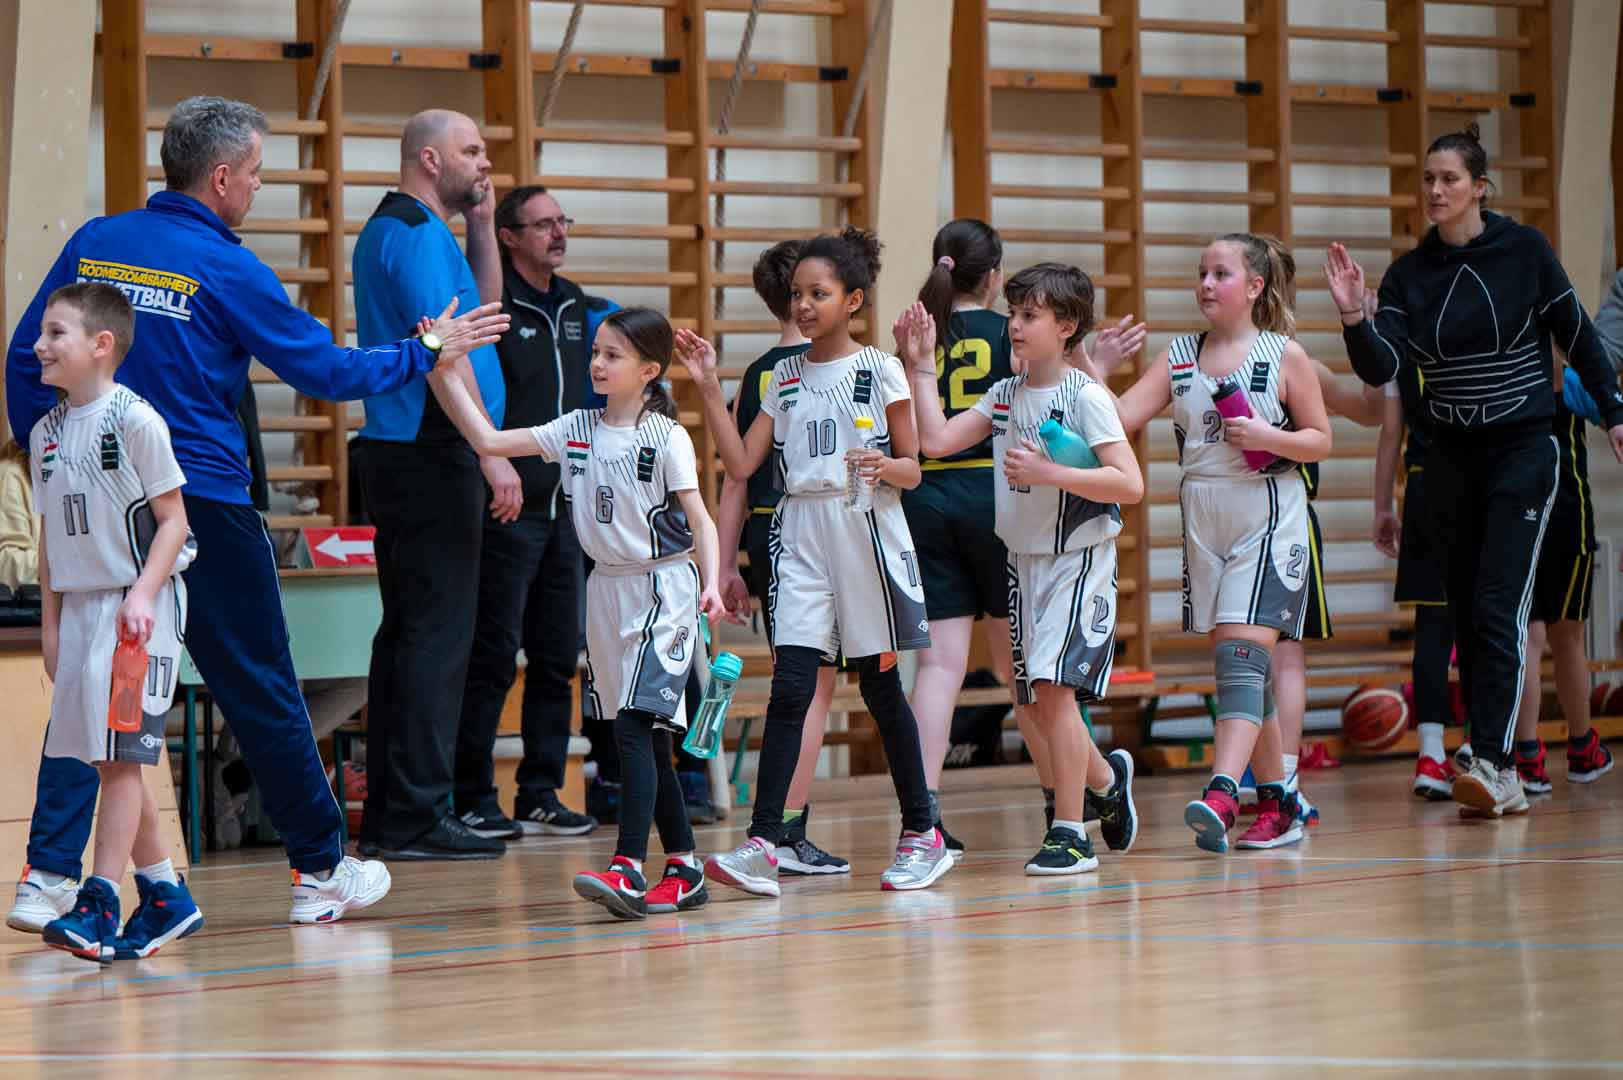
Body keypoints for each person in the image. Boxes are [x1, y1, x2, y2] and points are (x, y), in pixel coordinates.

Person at [5, 96, 507, 933]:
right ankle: (320, 869)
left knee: (91, 688)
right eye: (258, 174)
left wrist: (51, 458)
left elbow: (28, 360)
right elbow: (325, 370)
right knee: (259, 687)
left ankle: (50, 878)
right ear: (221, 176)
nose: (257, 189)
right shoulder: (228, 267)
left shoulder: (96, 241)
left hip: (94, 506)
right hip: (196, 505)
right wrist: (424, 350)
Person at [1326, 123, 1623, 818]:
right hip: (1448, 461)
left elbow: (1578, 334)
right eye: (1428, 179)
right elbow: (1382, 367)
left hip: (1524, 451)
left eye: (1449, 179)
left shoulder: (1525, 251)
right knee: (1464, 613)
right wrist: (1352, 320)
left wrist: (1613, 411)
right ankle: (1491, 759)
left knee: (1499, 607)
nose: (1435, 190)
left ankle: (1496, 761)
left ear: (1479, 188)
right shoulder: (1408, 276)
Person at [677, 227, 953, 894]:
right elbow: (742, 463)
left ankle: (923, 832)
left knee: (881, 689)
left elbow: (914, 467)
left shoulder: (880, 369)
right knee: (791, 687)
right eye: (797, 294)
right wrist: (708, 387)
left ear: (851, 300)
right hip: (799, 533)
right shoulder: (784, 376)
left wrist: (884, 465)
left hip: (864, 529)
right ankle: (763, 843)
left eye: (818, 294)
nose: (803, 305)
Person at [425, 307, 724, 919]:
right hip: (605, 591)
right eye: (595, 352)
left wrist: (712, 584)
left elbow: (701, 519)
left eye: (613, 355)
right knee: (644, 739)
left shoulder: (667, 436)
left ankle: (627, 866)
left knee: (635, 728)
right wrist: (445, 369)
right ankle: (686, 867)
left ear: (649, 370)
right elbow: (488, 442)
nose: (597, 363)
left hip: (663, 589)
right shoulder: (577, 428)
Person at [901, 263, 1142, 874]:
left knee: (1055, 698)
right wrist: (922, 366)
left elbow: (1130, 483)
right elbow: (936, 442)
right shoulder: (1006, 393)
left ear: (1067, 326)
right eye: (1013, 313)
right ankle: (1107, 781)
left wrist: (1050, 473)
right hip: (1021, 563)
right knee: (1033, 704)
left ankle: (1070, 832)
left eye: (1029, 315)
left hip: (1077, 560)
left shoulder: (1085, 396)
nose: (1014, 324)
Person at [1110, 234, 1331, 853]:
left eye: (1221, 274)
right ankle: (1280, 804)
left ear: (1255, 287)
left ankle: (1222, 791)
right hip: (1202, 518)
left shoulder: (1284, 355)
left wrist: (1269, 436)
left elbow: (1320, 438)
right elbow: (1119, 418)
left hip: (1267, 513)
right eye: (1201, 273)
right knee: (1245, 673)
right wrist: (1092, 367)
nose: (1206, 284)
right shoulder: (1179, 355)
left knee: (1241, 660)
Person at [351, 109, 518, 861]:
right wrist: (489, 450)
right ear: (429, 158)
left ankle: (398, 813)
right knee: (436, 639)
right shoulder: (413, 234)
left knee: (414, 634)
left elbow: (482, 317)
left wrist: (482, 225)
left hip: (416, 451)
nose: (484, 163)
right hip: (433, 448)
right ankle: (416, 815)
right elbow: (443, 354)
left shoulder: (417, 228)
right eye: (471, 151)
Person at [25, 284, 197, 963]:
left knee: (123, 757)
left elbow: (175, 521)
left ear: (102, 344)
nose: (40, 344)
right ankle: (165, 895)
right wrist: (50, 625)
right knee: (106, 759)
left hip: (136, 611)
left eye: (56, 332)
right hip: (80, 608)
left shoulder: (136, 421)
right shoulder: (43, 433)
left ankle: (98, 901)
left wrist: (144, 595)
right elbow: (49, 541)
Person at [451, 184, 611, 841]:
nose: (558, 233)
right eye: (543, 224)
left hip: (568, 510)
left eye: (561, 221)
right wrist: (494, 462)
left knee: (557, 657)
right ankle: (470, 795)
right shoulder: (494, 306)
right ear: (510, 236)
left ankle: (540, 792)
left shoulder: (577, 303)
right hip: (509, 507)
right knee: (492, 658)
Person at [712, 239, 848, 874]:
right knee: (811, 687)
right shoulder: (826, 369)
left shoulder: (756, 373)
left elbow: (734, 480)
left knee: (800, 683)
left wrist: (726, 564)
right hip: (813, 533)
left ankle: (783, 827)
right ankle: (787, 829)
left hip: (767, 536)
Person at [1506, 373, 1614, 790]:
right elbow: (1615, 418)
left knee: (1529, 637)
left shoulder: (1509, 376)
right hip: (1567, 516)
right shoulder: (1573, 379)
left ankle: (1527, 757)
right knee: (1566, 638)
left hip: (1520, 518)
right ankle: (1582, 748)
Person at [1371, 352, 1459, 799]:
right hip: (1477, 481)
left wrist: (1382, 506)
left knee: (1433, 629)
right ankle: (1489, 750)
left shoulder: (1399, 344)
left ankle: (1431, 754)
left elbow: (1392, 433)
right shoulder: (1479, 325)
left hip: (1424, 487)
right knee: (1486, 624)